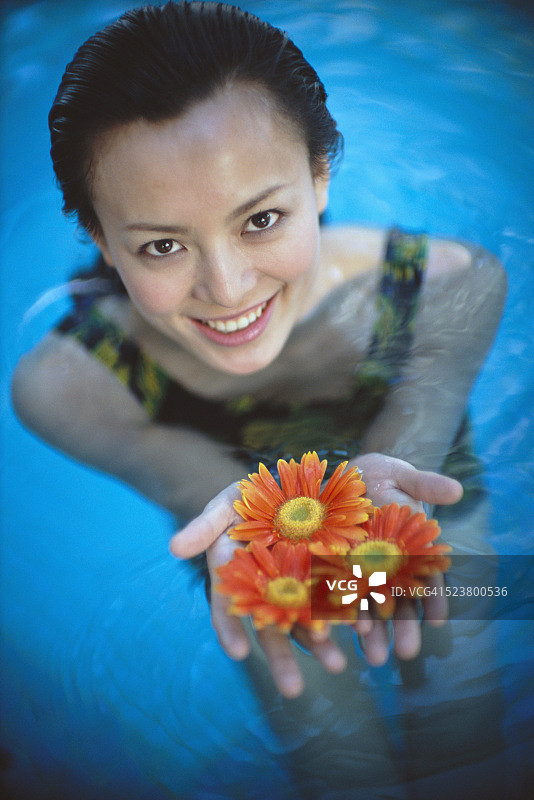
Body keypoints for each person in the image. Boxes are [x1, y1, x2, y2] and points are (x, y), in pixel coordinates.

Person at [11, 0, 506, 709]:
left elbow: (414, 477)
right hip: (229, 504)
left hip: (404, 466)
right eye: (162, 245)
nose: (227, 286)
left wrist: (374, 542)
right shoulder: (71, 388)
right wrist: (286, 568)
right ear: (98, 236)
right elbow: (206, 498)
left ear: (319, 177)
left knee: (460, 690)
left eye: (261, 219)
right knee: (333, 745)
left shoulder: (446, 289)